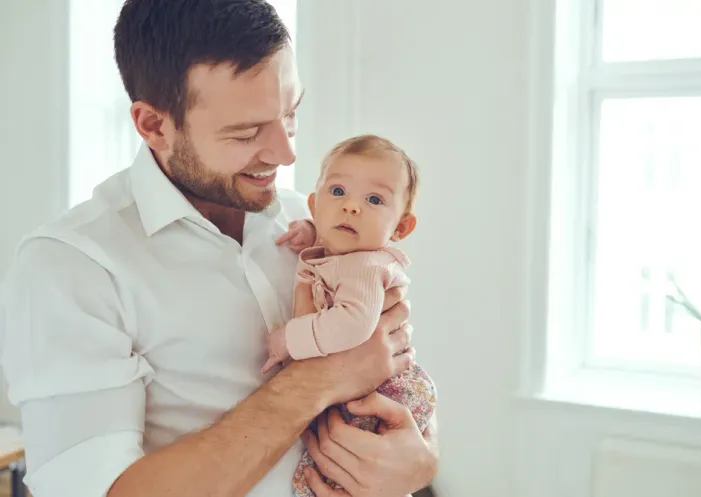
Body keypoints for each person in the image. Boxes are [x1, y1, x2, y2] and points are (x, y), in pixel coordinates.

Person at [0, 1, 438, 496]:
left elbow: (396, 371)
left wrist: (417, 464)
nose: (285, 152)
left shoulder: (313, 223)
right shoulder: (69, 266)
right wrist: (318, 379)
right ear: (153, 125)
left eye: (290, 114)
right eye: (247, 132)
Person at [266, 135, 438, 497]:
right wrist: (312, 232)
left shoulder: (365, 266)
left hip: (383, 393)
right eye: (338, 192)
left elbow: (352, 324)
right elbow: (335, 240)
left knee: (339, 472)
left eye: (374, 200)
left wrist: (289, 339)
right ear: (314, 205)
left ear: (400, 228)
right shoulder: (346, 250)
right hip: (369, 384)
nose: (350, 208)